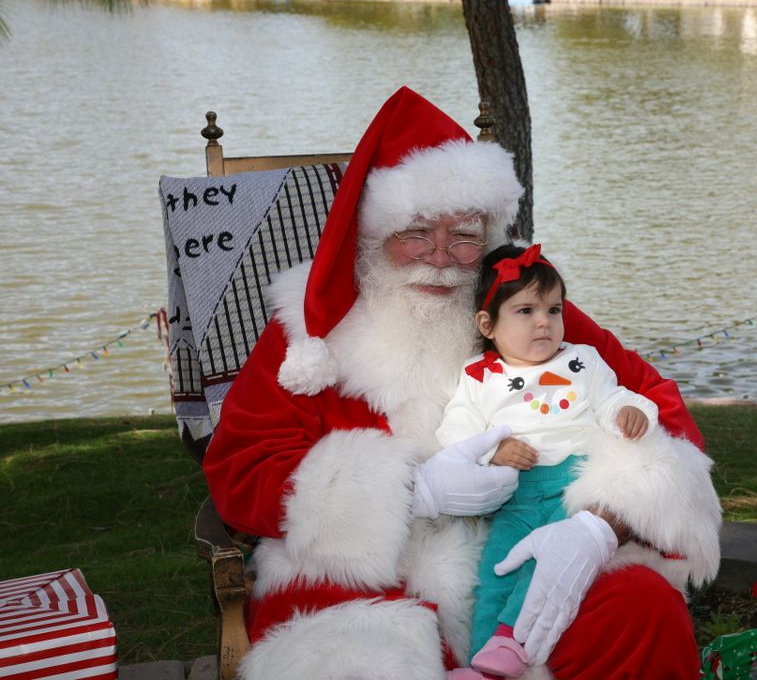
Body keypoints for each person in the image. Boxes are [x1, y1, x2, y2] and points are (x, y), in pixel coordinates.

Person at [202, 86, 721, 680]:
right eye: (417, 232)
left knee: (642, 609)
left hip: (535, 551)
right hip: (368, 583)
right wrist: (409, 493)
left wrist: (600, 525)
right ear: (373, 235)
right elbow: (242, 469)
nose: (443, 256)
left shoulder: (524, 309)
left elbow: (655, 403)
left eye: (466, 234)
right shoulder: (309, 331)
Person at [438, 244, 663, 678]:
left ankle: (510, 638)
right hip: (515, 496)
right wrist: (492, 450)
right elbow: (456, 432)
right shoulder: (478, 378)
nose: (545, 321)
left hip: (575, 485)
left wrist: (629, 412)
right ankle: (481, 662)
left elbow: (612, 396)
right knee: (498, 569)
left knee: (549, 564)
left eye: (553, 309)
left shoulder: (583, 361)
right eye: (525, 311)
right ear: (488, 324)